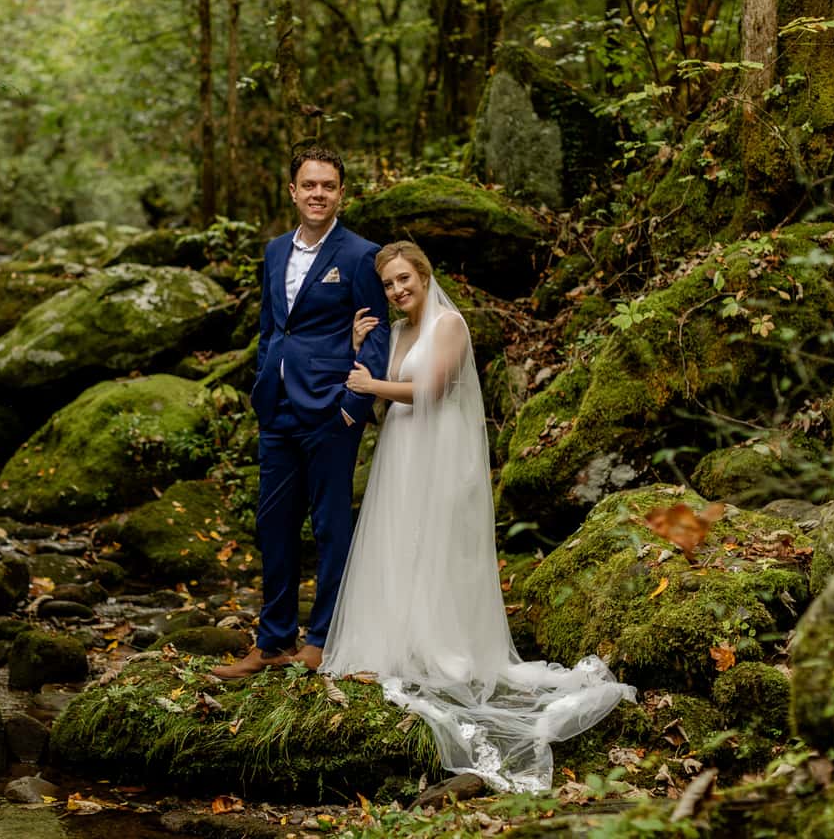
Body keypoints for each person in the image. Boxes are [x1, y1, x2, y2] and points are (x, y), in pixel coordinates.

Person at [322, 240, 633, 792]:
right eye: (389, 284)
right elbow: (374, 405)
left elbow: (431, 389)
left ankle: (444, 649)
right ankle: (401, 642)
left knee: (437, 548)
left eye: (404, 279)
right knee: (399, 544)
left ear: (424, 274)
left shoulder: (449, 324)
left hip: (439, 455)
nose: (397, 291)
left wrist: (372, 384)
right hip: (401, 452)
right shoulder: (394, 333)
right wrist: (358, 351)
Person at [211, 147, 390, 680]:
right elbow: (271, 328)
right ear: (292, 191)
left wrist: (353, 406)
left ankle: (320, 640)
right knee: (274, 526)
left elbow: (375, 334)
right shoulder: (272, 252)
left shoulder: (361, 255)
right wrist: (263, 383)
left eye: (328, 186)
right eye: (308, 185)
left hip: (332, 411)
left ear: (341, 193)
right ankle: (272, 641)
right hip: (278, 410)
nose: (317, 194)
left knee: (331, 527)